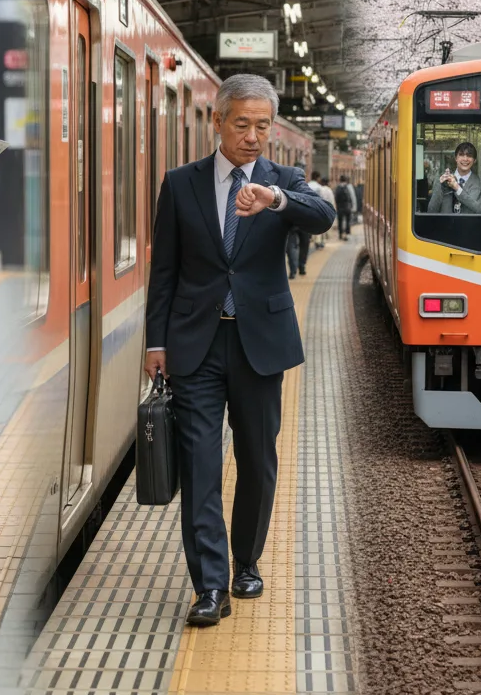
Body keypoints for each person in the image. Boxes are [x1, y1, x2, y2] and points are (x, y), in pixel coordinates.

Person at [144, 74, 335, 627]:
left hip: (259, 345)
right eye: (242, 124)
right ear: (218, 122)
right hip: (195, 344)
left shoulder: (285, 181)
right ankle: (209, 585)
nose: (252, 136)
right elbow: (165, 271)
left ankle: (246, 560)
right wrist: (157, 341)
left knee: (257, 456)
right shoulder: (181, 184)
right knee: (201, 465)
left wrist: (274, 199)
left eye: (262, 126)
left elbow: (320, 217)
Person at [427, 142, 481, 215]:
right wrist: (442, 186)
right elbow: (431, 211)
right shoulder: (442, 178)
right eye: (461, 155)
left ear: (474, 160)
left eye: (469, 155)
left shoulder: (480, 183)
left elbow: (480, 211)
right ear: (456, 158)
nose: (465, 159)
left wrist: (457, 188)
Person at [318, 177, 337, 247]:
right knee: (325, 226)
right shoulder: (329, 190)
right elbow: (332, 201)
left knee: (319, 226)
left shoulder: (320, 189)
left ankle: (319, 241)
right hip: (327, 210)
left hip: (320, 209)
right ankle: (323, 241)